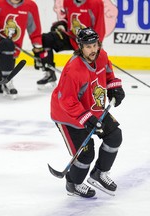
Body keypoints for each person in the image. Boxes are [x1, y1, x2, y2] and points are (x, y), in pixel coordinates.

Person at [50, 28, 125, 198]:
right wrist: (85, 118)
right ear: (80, 47)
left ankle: (99, 173)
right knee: (86, 154)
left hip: (94, 108)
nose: (92, 50)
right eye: (88, 46)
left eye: (94, 45)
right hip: (67, 115)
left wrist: (114, 87)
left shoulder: (102, 55)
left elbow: (108, 73)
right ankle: (73, 183)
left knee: (114, 136)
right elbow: (66, 100)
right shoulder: (73, 69)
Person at [37, 0, 110, 89]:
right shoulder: (67, 1)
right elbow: (67, 18)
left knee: (92, 63)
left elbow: (100, 26)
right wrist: (62, 23)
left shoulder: (95, 3)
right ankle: (49, 74)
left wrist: (96, 46)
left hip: (88, 43)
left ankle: (93, 79)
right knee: (46, 39)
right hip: (72, 38)